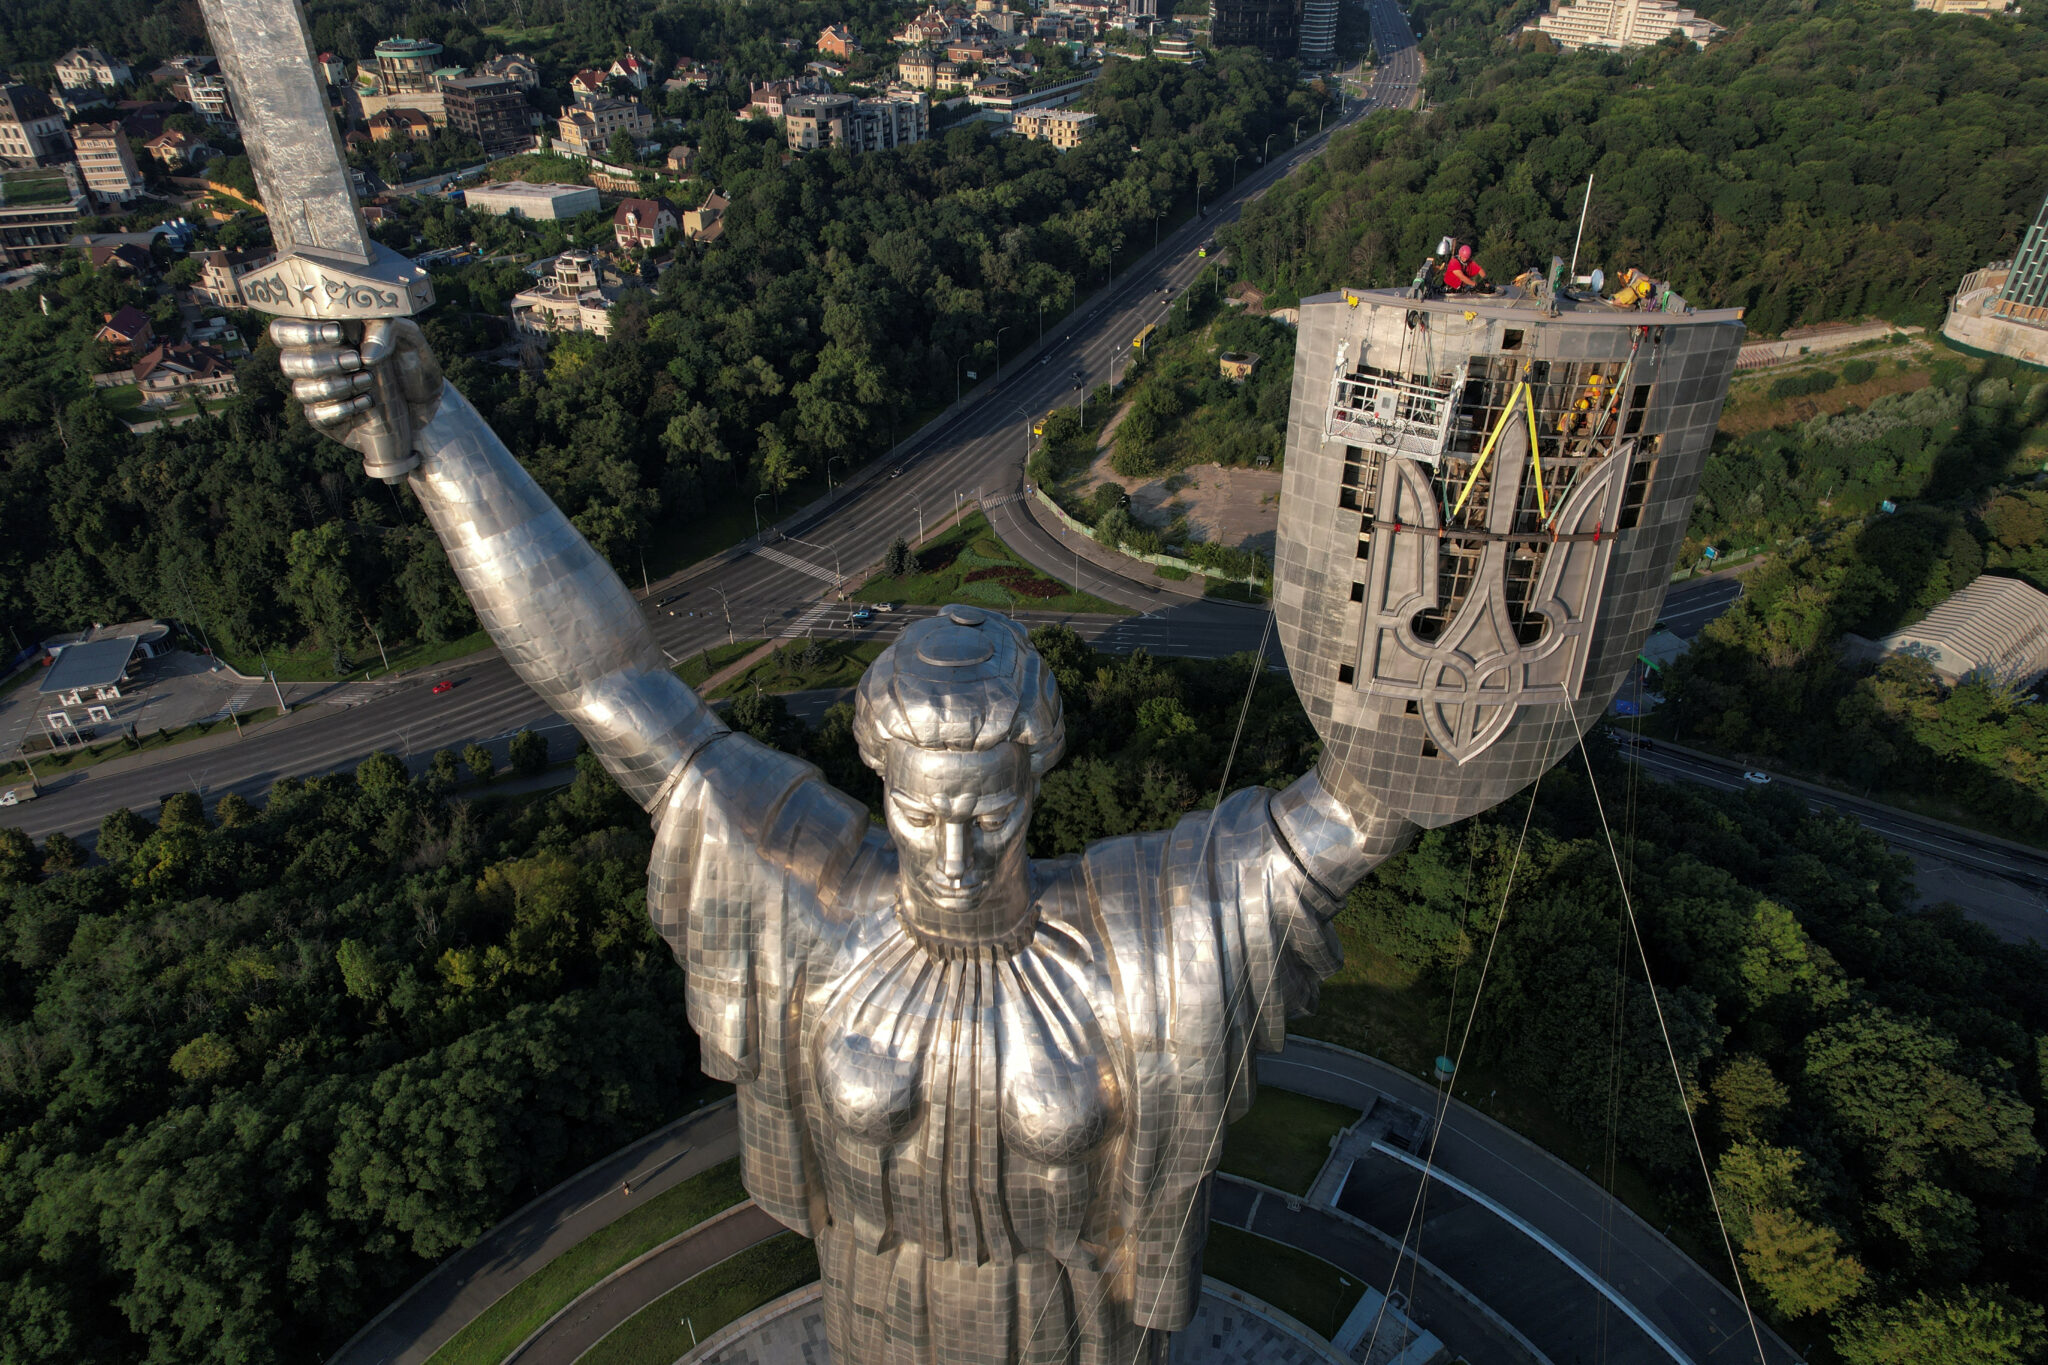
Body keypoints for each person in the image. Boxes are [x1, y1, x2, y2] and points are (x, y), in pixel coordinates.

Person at [271, 317, 1413, 1365]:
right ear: (881, 783)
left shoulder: (1144, 947)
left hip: (1071, 1332)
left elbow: (1357, 810)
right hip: (873, 1317)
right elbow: (604, 682)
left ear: (1032, 782)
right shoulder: (805, 907)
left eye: (988, 814)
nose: (953, 855)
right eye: (920, 814)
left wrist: (1458, 612)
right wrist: (434, 433)